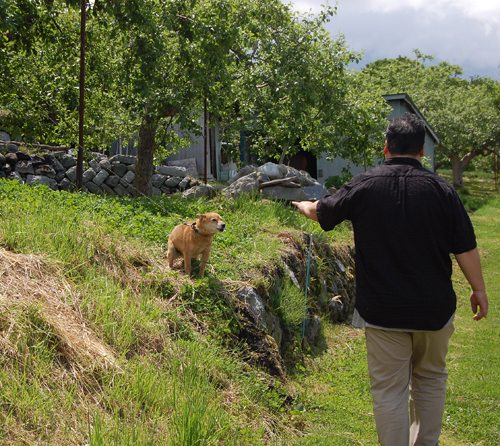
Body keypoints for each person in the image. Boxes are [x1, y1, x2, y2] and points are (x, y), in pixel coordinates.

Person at [292, 112, 488, 446]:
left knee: (389, 390)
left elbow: (322, 211)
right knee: (431, 379)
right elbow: (465, 247)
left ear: (386, 147)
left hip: (382, 311)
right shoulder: (442, 189)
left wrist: (303, 205)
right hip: (434, 310)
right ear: (422, 151)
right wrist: (478, 289)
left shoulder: (365, 184)